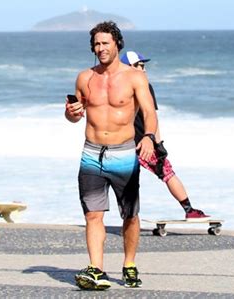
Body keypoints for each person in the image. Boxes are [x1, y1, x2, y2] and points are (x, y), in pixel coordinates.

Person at [65, 21, 158, 290]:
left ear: (117, 43)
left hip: (124, 153)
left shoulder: (135, 77)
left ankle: (129, 264)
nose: (101, 48)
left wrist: (149, 138)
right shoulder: (85, 77)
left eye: (105, 43)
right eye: (96, 44)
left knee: (129, 215)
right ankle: (97, 269)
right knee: (93, 214)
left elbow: (149, 113)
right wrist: (71, 114)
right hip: (92, 154)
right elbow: (75, 115)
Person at [121, 51, 210, 220]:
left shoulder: (119, 87)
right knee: (167, 174)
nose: (144, 69)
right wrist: (158, 143)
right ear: (130, 67)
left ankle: (128, 215)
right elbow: (153, 117)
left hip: (126, 143)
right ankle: (189, 210)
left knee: (126, 180)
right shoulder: (144, 86)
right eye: (140, 66)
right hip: (142, 144)